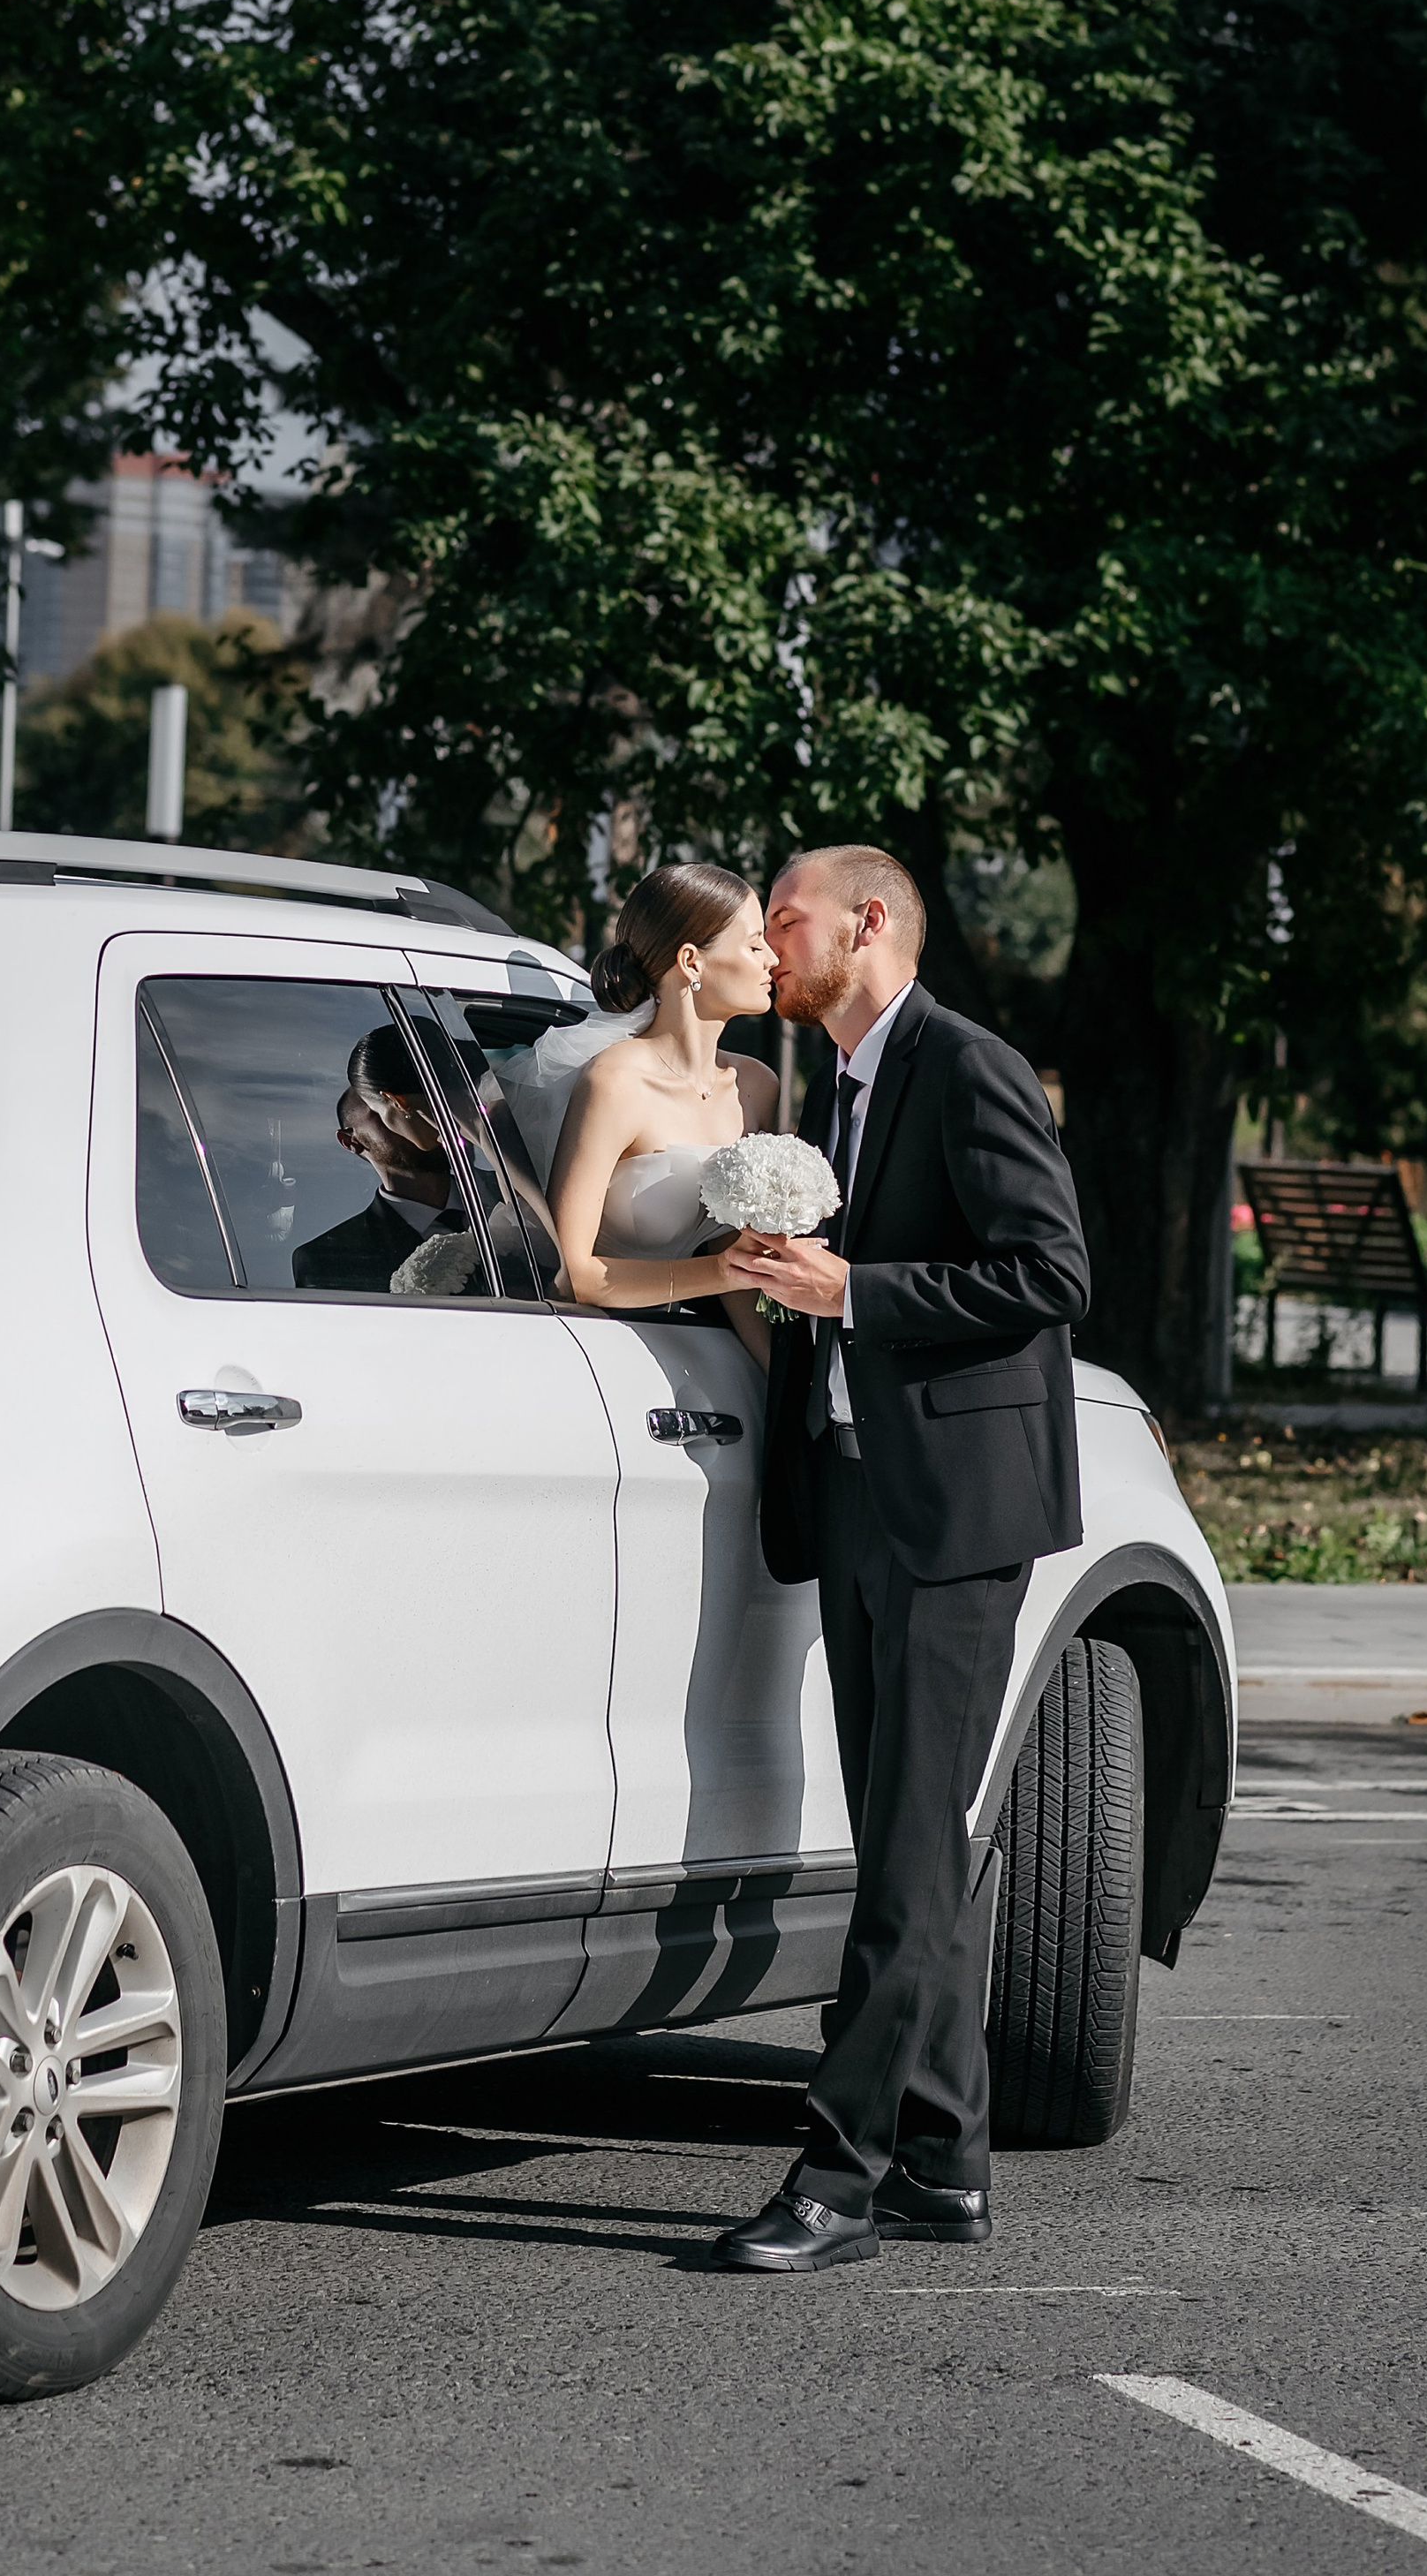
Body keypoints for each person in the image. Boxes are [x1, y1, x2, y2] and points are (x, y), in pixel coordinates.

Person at [714, 842, 1091, 2273]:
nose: (769, 939)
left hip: (956, 1516)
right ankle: (945, 2159)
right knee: (904, 1848)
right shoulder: (839, 1088)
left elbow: (1051, 1271)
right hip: (860, 1497)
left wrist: (852, 1289)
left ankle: (839, 2177)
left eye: (788, 917)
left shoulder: (968, 1065)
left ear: (868, 923)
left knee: (911, 1859)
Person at [545, 863, 778, 1349]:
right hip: (599, 1347)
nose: (773, 959)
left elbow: (736, 1263)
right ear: (692, 962)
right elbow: (574, 1275)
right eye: (755, 945)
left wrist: (783, 1385)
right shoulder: (616, 1082)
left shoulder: (756, 1087)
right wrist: (720, 1271)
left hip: (705, 1352)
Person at [291, 1025, 469, 1292]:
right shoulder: (330, 1259)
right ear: (351, 1141)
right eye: (380, 1110)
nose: (409, 1114)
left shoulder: (512, 1195)